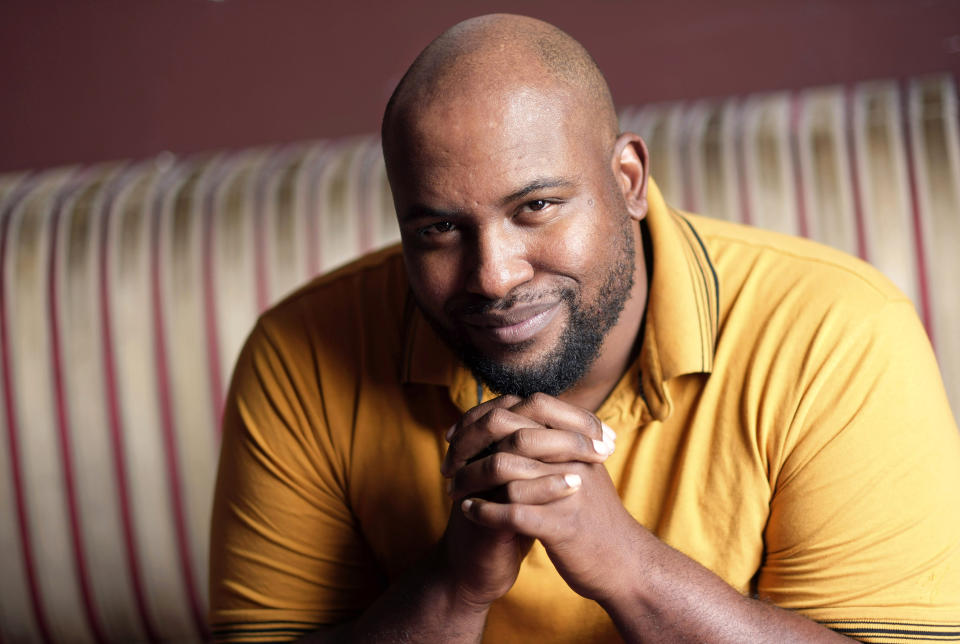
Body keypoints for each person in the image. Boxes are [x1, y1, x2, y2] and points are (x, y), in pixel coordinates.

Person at [208, 14, 960, 643]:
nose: (494, 275)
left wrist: (628, 566)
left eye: (535, 207)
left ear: (627, 180)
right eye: (439, 229)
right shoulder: (299, 354)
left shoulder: (835, 332)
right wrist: (454, 586)